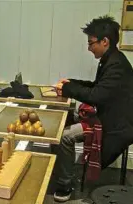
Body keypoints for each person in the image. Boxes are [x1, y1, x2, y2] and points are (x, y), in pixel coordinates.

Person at [54, 16, 133, 202]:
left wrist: (68, 88)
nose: (89, 48)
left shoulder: (116, 65)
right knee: (62, 117)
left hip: (114, 124)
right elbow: (97, 87)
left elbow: (95, 96)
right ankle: (60, 170)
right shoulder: (111, 60)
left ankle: (65, 184)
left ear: (105, 41)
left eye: (91, 43)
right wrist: (72, 83)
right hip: (105, 114)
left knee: (65, 136)